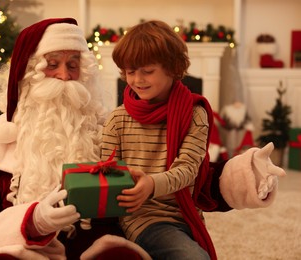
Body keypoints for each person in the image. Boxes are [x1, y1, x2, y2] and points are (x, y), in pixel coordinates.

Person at [0, 18, 151, 259]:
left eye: (73, 65)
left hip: (93, 250)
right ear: (27, 72)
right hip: (25, 250)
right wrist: (31, 223)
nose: (64, 76)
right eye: (52, 64)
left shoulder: (108, 130)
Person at [100, 20, 286, 260]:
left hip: (185, 213)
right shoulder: (117, 119)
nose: (137, 80)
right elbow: (108, 175)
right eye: (130, 71)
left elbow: (189, 169)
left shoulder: (194, 113)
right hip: (142, 217)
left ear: (173, 68)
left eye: (147, 71)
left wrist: (152, 183)